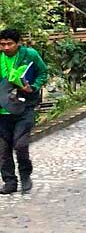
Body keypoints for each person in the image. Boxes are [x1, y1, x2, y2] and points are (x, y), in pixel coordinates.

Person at [0, 29, 48, 195]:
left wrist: (33, 87)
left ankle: (25, 175)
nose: (6, 47)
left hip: (24, 107)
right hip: (2, 110)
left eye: (10, 44)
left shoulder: (29, 55)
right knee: (3, 150)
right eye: (2, 44)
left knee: (20, 145)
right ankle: (9, 182)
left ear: (18, 43)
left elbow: (43, 73)